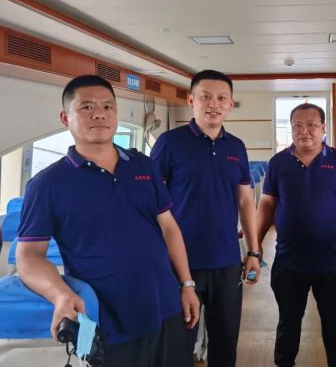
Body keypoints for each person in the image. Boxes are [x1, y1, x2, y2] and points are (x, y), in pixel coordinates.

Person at [16, 75, 199, 367]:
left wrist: (187, 284)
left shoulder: (143, 166)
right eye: (86, 107)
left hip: (166, 306)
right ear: (65, 118)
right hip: (108, 319)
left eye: (107, 106)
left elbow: (168, 228)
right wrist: (60, 294)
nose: (99, 113)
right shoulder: (47, 185)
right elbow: (28, 256)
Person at [150, 69, 260, 367]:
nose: (214, 104)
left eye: (222, 98)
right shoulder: (169, 143)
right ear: (191, 101)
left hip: (226, 260)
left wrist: (253, 251)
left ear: (230, 104)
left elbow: (245, 200)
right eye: (206, 97)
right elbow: (151, 202)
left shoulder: (235, 146)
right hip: (180, 262)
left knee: (225, 343)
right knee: (178, 345)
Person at [257, 103, 336, 367]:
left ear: (324, 128)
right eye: (297, 126)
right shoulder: (278, 162)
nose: (304, 131)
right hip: (289, 260)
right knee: (288, 322)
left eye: (311, 125)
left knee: (334, 324)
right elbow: (266, 204)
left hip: (332, 259)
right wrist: (255, 247)